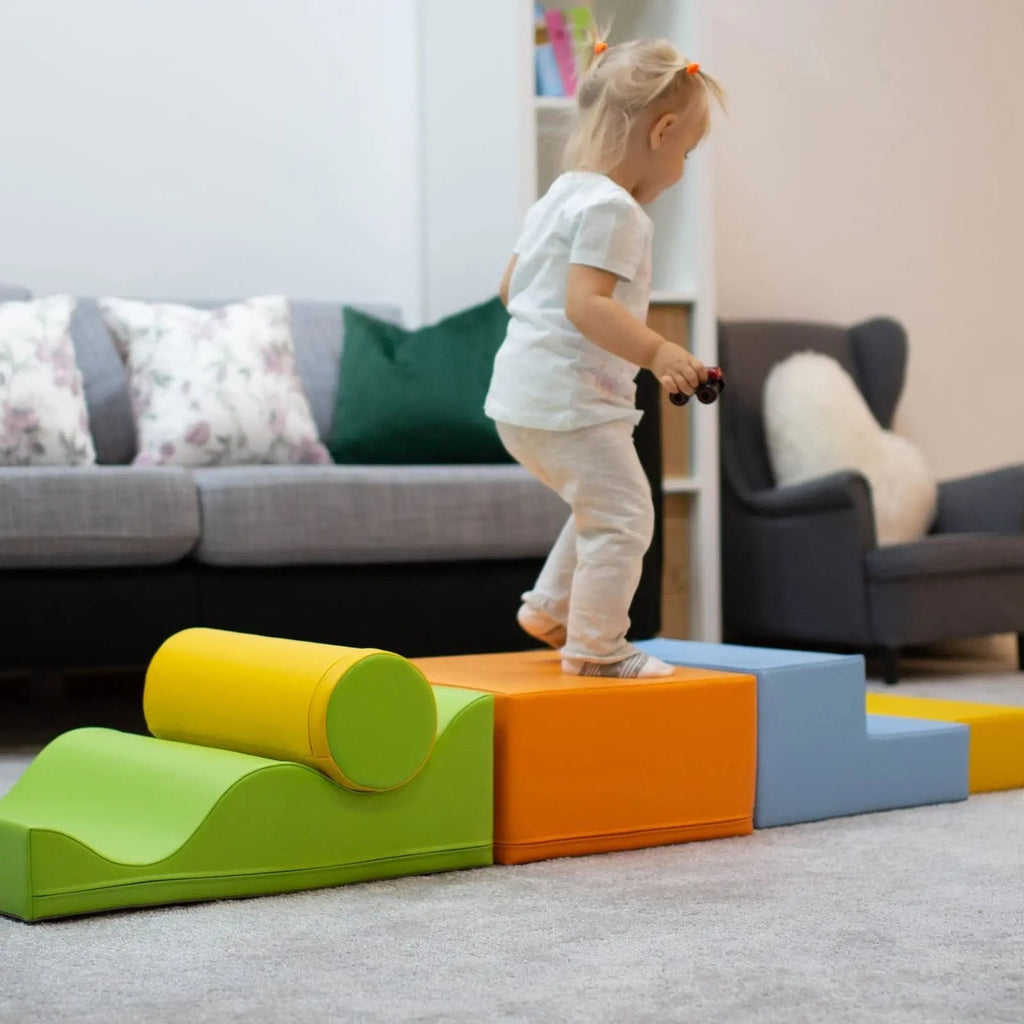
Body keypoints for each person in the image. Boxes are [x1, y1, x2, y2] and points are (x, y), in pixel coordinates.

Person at [485, 38, 723, 678]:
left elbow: (512, 287)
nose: (681, 169)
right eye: (687, 152)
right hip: (571, 403)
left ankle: (549, 607)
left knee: (599, 504)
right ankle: (596, 649)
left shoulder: (560, 194)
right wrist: (659, 350)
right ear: (662, 131)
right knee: (623, 517)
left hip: (519, 404)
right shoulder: (617, 209)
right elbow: (587, 304)